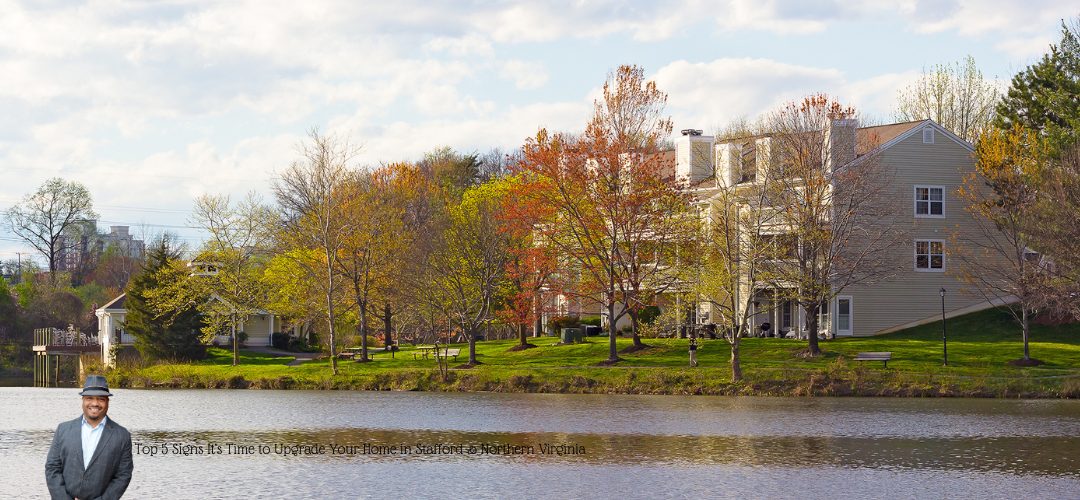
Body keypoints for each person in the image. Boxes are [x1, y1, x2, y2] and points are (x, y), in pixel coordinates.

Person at [45, 374, 134, 500]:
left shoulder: (122, 436)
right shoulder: (63, 430)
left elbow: (123, 476)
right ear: (83, 400)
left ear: (108, 402)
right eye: (89, 398)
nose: (95, 403)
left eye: (101, 399)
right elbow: (52, 468)